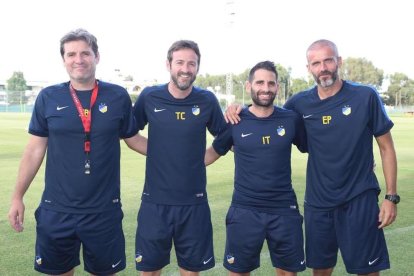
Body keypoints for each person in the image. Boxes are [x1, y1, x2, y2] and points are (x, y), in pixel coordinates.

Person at [225, 39, 398, 276]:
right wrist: (239, 108)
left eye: (328, 60)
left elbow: (386, 148)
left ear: (339, 61)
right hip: (318, 203)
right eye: (316, 63)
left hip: (360, 198)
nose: (323, 67)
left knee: (367, 270)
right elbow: (267, 117)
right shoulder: (299, 104)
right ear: (309, 68)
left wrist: (390, 197)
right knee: (321, 269)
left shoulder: (365, 96)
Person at [8, 28, 146, 276]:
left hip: (103, 210)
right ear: (64, 60)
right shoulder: (48, 97)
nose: (78, 59)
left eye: (85, 53)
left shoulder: (117, 96)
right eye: (71, 54)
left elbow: (133, 139)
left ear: (97, 57)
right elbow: (34, 151)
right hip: (57, 210)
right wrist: (17, 196)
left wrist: (175, 152)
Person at [132, 40, 226, 276]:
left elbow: (224, 137)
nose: (185, 69)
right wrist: (159, 154)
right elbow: (130, 133)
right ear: (168, 64)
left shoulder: (207, 100)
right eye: (180, 62)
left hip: (193, 203)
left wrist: (200, 159)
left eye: (191, 64)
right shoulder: (150, 96)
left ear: (197, 67)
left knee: (191, 271)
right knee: (150, 270)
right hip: (155, 202)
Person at [205, 61, 307, 276]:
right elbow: (211, 153)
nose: (265, 88)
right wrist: (173, 163)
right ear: (249, 86)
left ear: (277, 87)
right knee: (239, 272)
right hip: (245, 210)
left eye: (271, 83)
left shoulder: (290, 119)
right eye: (260, 82)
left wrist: (358, 159)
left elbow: (315, 149)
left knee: (288, 273)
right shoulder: (235, 120)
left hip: (284, 209)